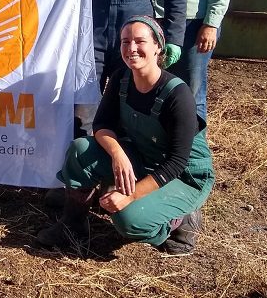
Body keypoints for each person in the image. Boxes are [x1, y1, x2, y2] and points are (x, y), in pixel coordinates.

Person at [37, 16, 215, 255]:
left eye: (140, 41)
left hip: (181, 176)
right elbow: (101, 124)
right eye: (125, 41)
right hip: (142, 157)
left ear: (157, 47)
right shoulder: (121, 78)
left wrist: (130, 196)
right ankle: (73, 226)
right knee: (81, 150)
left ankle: (179, 219)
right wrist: (117, 153)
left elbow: (177, 162)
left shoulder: (177, 95)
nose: (131, 48)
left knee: (129, 219)